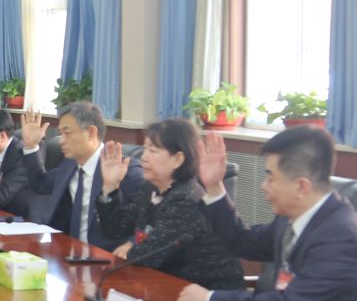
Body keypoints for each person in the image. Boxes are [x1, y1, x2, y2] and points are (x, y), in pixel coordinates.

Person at [178, 125, 357, 301]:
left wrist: (210, 299)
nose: (264, 186)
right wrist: (213, 186)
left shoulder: (340, 235)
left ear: (302, 187)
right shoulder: (291, 219)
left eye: (271, 177)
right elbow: (241, 241)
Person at [94, 119, 247, 291]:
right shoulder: (153, 188)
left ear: (178, 159)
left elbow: (146, 258)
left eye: (153, 150)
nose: (143, 157)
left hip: (208, 295)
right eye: (145, 149)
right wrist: (110, 186)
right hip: (170, 287)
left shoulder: (186, 199)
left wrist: (131, 248)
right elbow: (115, 229)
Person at [18, 102, 146, 251]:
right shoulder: (69, 164)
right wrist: (31, 146)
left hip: (105, 256)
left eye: (67, 133)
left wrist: (132, 244)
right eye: (61, 133)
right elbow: (40, 184)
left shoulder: (125, 171)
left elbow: (149, 219)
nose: (61, 140)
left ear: (91, 132)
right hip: (67, 251)